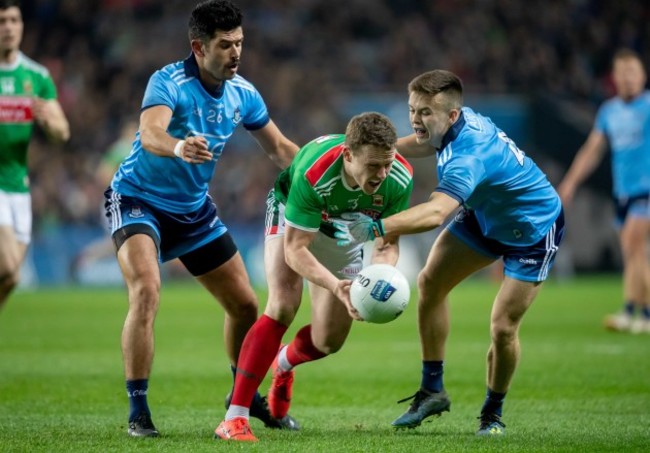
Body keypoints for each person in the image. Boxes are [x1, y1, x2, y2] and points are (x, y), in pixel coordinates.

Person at [104, 0, 300, 437]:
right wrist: (177, 146)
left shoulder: (243, 93)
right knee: (147, 291)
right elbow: (151, 132)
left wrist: (324, 169)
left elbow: (280, 149)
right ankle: (139, 411)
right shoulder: (168, 81)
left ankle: (241, 402)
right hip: (138, 199)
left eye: (240, 43)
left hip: (193, 211)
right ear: (198, 46)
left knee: (247, 306)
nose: (236, 53)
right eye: (226, 45)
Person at [335, 70, 564, 436]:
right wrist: (369, 150)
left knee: (503, 328)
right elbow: (425, 142)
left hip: (532, 230)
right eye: (413, 109)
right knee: (430, 282)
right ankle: (432, 390)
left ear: (452, 115)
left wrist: (378, 227)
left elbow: (436, 213)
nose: (415, 119)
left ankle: (492, 415)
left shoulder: (468, 155)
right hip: (485, 214)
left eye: (425, 112)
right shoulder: (456, 123)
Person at [214, 112, 414, 442]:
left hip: (346, 229)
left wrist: (382, 277)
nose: (382, 174)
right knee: (282, 304)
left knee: (329, 341)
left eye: (387, 164)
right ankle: (235, 417)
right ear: (349, 155)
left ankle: (283, 363)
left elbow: (387, 243)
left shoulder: (399, 178)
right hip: (292, 216)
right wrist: (336, 286)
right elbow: (295, 250)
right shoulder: (315, 171)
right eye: (373, 166)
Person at [558, 49, 650, 334]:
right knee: (632, 251)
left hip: (646, 188)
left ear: (643, 76)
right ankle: (633, 311)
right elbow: (591, 151)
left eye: (633, 72)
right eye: (622, 74)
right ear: (614, 79)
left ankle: (642, 314)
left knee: (635, 245)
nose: (628, 79)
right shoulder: (609, 111)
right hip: (622, 190)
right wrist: (570, 182)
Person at [0, 0, 70, 311]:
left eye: (14, 20)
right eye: (2, 22)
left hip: (18, 184)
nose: (9, 28)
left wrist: (47, 120)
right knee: (7, 266)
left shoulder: (36, 76)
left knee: (11, 278)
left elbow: (62, 133)